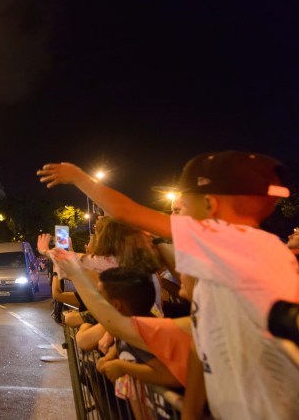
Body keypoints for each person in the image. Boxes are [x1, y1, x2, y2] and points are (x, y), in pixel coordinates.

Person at [39, 151, 299, 419]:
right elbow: (200, 348)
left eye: (183, 206)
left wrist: (79, 178)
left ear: (211, 205)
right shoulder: (227, 277)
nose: (174, 219)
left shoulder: (235, 241)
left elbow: (125, 212)